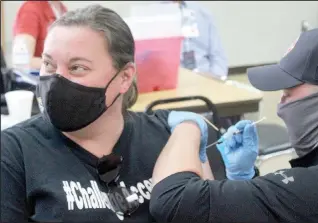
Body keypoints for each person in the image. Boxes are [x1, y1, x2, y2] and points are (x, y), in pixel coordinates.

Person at [1, 4, 214, 222]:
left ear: (124, 77)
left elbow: (205, 213)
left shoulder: (167, 138)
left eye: (77, 67)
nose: (57, 79)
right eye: (49, 64)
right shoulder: (14, 152)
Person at [148, 28, 318, 222]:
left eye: (290, 90)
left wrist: (188, 125)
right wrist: (245, 179)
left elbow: (172, 201)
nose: (281, 105)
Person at [172, 1, 228, 78]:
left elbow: (218, 54)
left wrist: (216, 77)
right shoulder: (155, 15)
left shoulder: (204, 13)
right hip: (173, 80)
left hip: (205, 77)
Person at [12, 1, 67, 70]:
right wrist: (64, 65)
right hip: (38, 78)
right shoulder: (30, 8)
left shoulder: (63, 10)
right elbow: (22, 61)